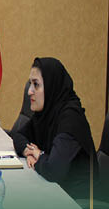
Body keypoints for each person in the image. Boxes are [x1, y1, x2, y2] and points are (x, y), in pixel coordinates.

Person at [12, 57, 98, 199]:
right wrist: (29, 152)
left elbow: (53, 170)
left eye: (36, 85)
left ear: (51, 86)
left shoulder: (71, 118)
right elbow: (18, 136)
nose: (30, 91)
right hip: (56, 192)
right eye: (30, 84)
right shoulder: (47, 112)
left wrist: (39, 155)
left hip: (77, 203)